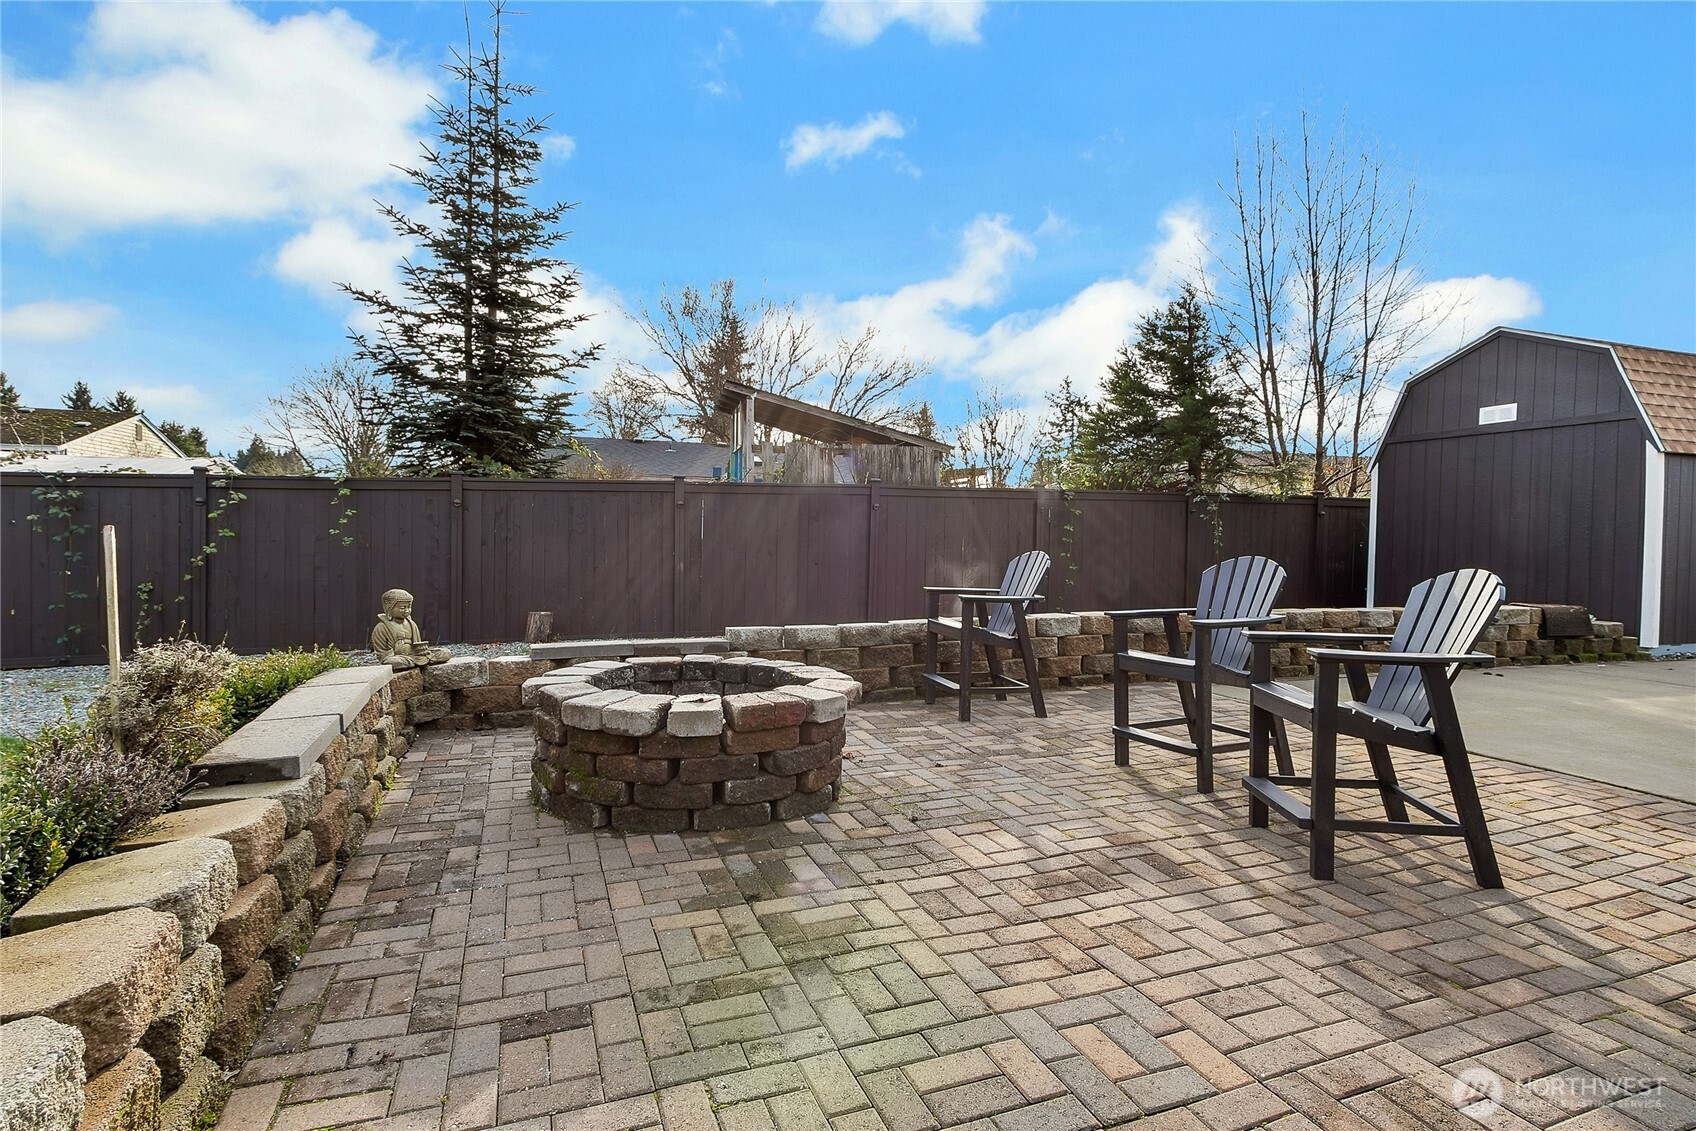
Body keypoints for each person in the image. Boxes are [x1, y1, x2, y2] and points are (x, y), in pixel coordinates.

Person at [370, 588, 449, 669]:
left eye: (409, 607)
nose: (407, 610)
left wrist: (422, 651)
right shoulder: (382, 627)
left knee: (445, 653)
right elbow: (382, 653)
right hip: (397, 658)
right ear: (389, 608)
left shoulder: (411, 624)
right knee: (396, 662)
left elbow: (417, 644)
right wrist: (394, 654)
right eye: (402, 607)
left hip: (415, 655)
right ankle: (417, 662)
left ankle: (417, 661)